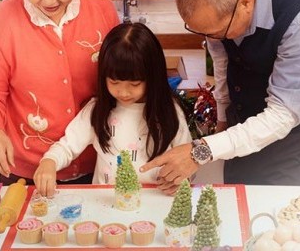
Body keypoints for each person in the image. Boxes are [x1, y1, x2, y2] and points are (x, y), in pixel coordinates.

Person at [140, 0, 300, 186]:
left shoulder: (296, 21)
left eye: (217, 32)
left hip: (286, 136)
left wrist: (201, 150)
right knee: (238, 196)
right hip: (241, 121)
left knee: (271, 210)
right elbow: (221, 61)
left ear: (245, 3)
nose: (213, 40)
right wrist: (223, 117)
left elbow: (282, 115)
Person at [0, 0, 119, 185]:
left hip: (97, 161)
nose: (48, 0)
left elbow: (121, 74)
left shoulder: (102, 8)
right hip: (29, 170)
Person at [33, 22, 192, 197]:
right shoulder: (98, 110)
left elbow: (186, 159)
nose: (123, 92)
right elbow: (67, 146)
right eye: (114, 82)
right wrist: (49, 161)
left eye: (134, 84)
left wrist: (180, 180)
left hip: (156, 202)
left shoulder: (170, 111)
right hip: (107, 204)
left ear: (153, 77)